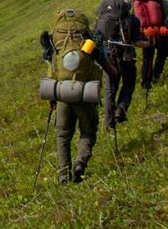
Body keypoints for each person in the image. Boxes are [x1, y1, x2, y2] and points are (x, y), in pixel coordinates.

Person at [40, 10, 118, 184]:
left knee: (63, 136)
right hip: (85, 94)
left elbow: (52, 69)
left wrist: (52, 99)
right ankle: (80, 164)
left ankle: (63, 176)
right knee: (88, 132)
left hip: (62, 95)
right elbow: (111, 71)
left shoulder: (57, 45)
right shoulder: (89, 44)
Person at [94, 0, 150, 129]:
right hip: (127, 57)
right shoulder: (133, 20)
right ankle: (121, 109)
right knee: (129, 83)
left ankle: (108, 123)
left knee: (110, 90)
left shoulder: (101, 20)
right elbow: (138, 42)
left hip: (108, 58)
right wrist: (149, 43)